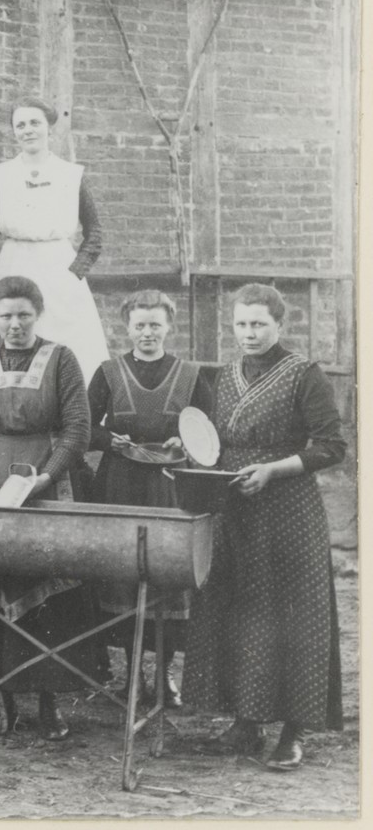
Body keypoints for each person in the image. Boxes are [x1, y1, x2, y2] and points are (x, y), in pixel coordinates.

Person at [184, 283, 345, 772]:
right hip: (233, 507)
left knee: (291, 615)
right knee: (238, 609)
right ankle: (245, 724)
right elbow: (212, 435)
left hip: (287, 511)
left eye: (259, 324)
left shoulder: (303, 373)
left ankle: (293, 732)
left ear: (280, 325)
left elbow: (332, 446)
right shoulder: (224, 375)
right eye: (241, 324)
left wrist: (275, 469)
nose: (249, 333)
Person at [0, 275, 107, 741]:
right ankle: (1, 702)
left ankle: (48, 702)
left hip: (46, 482)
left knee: (49, 592)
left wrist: (47, 476)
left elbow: (78, 430)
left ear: (37, 315)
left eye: (23, 315)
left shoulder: (61, 359)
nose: (15, 324)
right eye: (5, 316)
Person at [88, 290, 213, 706]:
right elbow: (84, 426)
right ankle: (132, 676)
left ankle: (165, 678)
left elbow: (211, 431)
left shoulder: (190, 374)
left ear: (168, 327)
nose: (147, 333)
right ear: (126, 327)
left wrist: (187, 438)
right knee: (124, 575)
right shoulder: (108, 373)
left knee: (167, 574)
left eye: (155, 324)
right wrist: (109, 439)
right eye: (139, 325)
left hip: (170, 484)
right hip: (119, 484)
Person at [0, 97, 110, 384]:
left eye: (35, 123)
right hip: (14, 265)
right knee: (13, 338)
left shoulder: (70, 174)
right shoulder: (1, 175)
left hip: (60, 269)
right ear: (14, 131)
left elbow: (94, 233)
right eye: (20, 125)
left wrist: (74, 273)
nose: (28, 130)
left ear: (49, 128)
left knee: (69, 342)